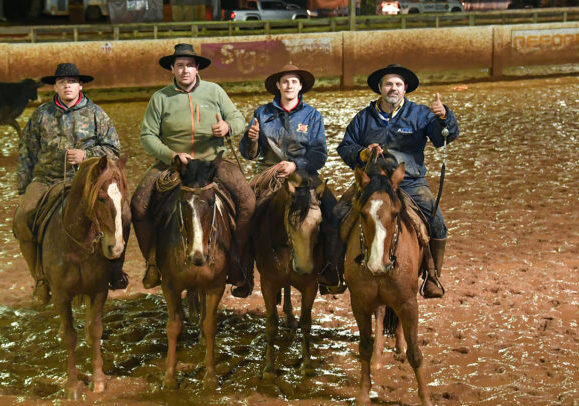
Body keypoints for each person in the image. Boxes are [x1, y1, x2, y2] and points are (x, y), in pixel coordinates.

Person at [131, 43, 256, 298]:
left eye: (189, 65)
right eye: (180, 65)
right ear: (172, 69)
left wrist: (227, 128)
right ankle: (153, 263)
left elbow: (238, 119)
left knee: (248, 201)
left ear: (197, 68)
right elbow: (147, 135)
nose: (185, 69)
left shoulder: (215, 91)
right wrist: (171, 154)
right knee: (138, 205)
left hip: (212, 162)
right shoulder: (160, 98)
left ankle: (236, 260)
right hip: (174, 165)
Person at [336, 64, 459, 298]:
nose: (393, 88)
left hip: (410, 181)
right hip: (372, 183)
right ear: (380, 88)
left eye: (398, 84)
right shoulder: (363, 118)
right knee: (337, 214)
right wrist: (362, 153)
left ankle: (432, 276)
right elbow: (345, 147)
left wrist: (444, 117)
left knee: (438, 222)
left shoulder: (422, 114)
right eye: (389, 84)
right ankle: (334, 270)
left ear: (405, 89)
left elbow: (443, 137)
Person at [13, 63, 122, 303]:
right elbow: (27, 151)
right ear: (55, 86)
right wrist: (23, 186)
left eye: (71, 81)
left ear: (80, 85)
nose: (67, 85)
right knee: (21, 220)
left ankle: (114, 271)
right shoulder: (41, 114)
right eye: (62, 82)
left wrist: (87, 155)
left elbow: (114, 149)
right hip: (46, 179)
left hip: (86, 181)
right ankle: (40, 278)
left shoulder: (96, 114)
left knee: (118, 214)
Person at [239, 64, 344, 293]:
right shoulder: (262, 113)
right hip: (269, 174)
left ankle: (331, 270)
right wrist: (252, 140)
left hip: (304, 175)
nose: (289, 85)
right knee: (244, 214)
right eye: (285, 81)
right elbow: (248, 154)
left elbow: (319, 154)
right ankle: (244, 273)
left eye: (293, 82)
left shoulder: (312, 115)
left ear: (300, 86)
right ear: (278, 86)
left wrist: (296, 164)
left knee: (334, 213)